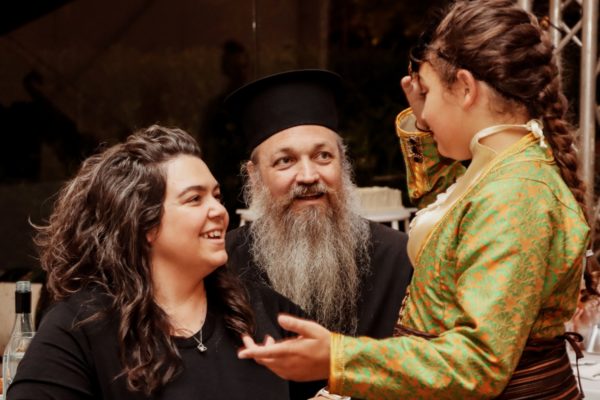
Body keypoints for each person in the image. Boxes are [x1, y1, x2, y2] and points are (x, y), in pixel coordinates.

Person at [237, 1, 599, 399]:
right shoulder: (501, 172)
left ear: (465, 88)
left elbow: (478, 364)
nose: (422, 113)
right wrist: (424, 126)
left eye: (427, 91)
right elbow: (447, 224)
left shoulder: (516, 194)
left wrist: (338, 359)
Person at [7, 125, 315, 400]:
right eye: (195, 199)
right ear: (145, 224)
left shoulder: (267, 310)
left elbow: (334, 377)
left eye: (217, 196)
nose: (219, 211)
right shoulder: (80, 327)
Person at [224, 69, 413, 339]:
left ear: (343, 163)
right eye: (285, 161)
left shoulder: (400, 259)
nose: (308, 176)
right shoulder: (225, 266)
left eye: (323, 156)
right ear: (255, 177)